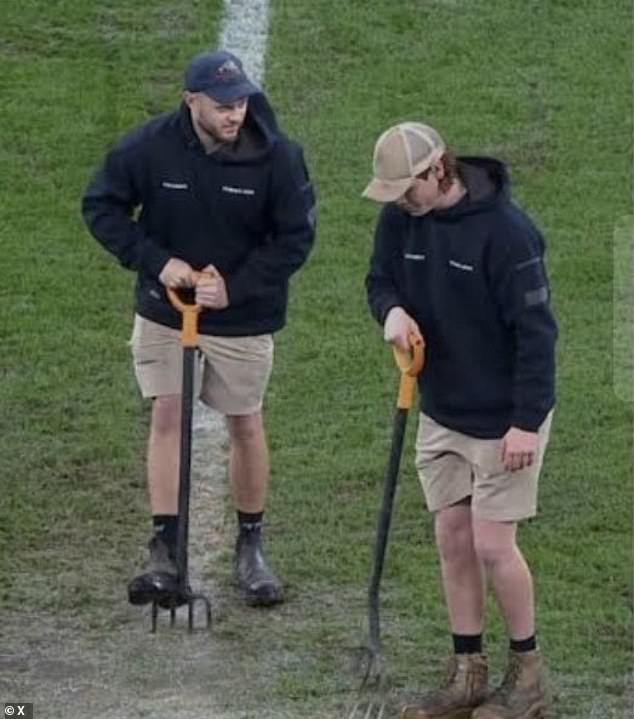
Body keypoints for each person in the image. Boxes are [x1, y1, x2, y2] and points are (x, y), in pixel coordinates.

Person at [82, 49, 315, 609]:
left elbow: (294, 240)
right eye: (222, 105)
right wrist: (159, 263)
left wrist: (232, 287)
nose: (235, 114)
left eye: (240, 103)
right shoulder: (147, 149)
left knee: (245, 422)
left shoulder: (280, 158)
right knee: (167, 413)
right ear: (191, 101)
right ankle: (164, 545)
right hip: (166, 310)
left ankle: (251, 544)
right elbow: (101, 208)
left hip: (243, 315)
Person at [363, 122, 557, 719]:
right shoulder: (401, 218)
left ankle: (529, 676)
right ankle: (466, 671)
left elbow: (537, 336)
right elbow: (380, 280)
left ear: (437, 170)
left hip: (504, 420)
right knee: (452, 538)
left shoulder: (507, 234)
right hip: (441, 411)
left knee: (494, 544)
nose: (399, 200)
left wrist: (526, 422)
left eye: (406, 188)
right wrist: (392, 313)